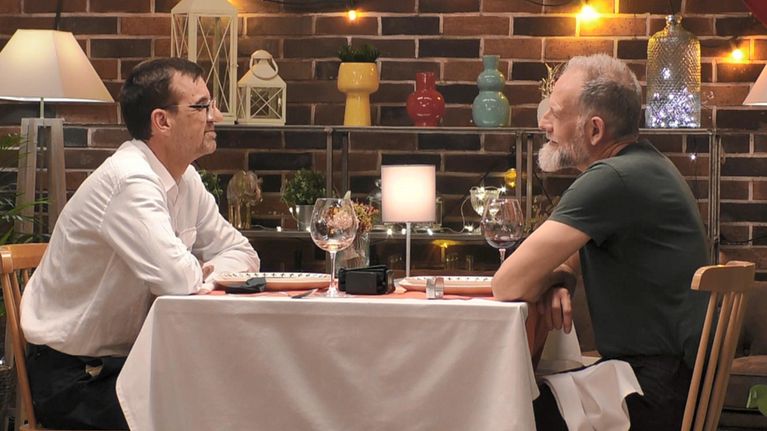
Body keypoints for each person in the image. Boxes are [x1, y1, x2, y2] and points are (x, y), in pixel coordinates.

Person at [20, 58, 260, 429]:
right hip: (75, 378)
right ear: (161, 121)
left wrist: (203, 273)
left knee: (238, 394)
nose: (216, 116)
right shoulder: (130, 180)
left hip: (126, 365)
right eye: (201, 107)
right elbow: (177, 280)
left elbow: (243, 253)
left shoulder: (186, 179)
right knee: (211, 413)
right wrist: (197, 271)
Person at [491, 53, 709, 431]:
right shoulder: (646, 165)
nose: (544, 123)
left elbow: (506, 283)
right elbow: (571, 257)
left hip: (651, 391)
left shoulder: (610, 179)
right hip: (673, 382)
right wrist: (561, 278)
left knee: (499, 409)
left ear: (594, 130)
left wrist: (551, 277)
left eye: (556, 113)